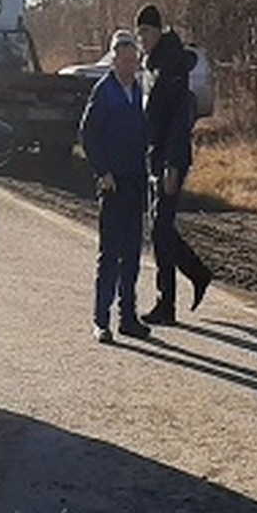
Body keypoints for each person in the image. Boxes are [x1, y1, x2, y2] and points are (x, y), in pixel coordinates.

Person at [135, 2, 213, 325]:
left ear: (158, 31)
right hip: (156, 157)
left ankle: (168, 301)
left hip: (171, 160)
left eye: (147, 32)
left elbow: (179, 122)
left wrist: (172, 164)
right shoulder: (151, 63)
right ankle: (195, 275)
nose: (143, 38)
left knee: (160, 228)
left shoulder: (171, 68)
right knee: (158, 228)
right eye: (139, 33)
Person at [78, 28, 152, 342]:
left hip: (136, 180)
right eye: (124, 61)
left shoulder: (137, 91)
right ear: (114, 61)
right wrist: (102, 170)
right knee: (110, 253)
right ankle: (101, 320)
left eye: (134, 61)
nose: (129, 66)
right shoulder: (104, 91)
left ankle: (128, 317)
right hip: (113, 184)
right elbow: (88, 134)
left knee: (132, 253)